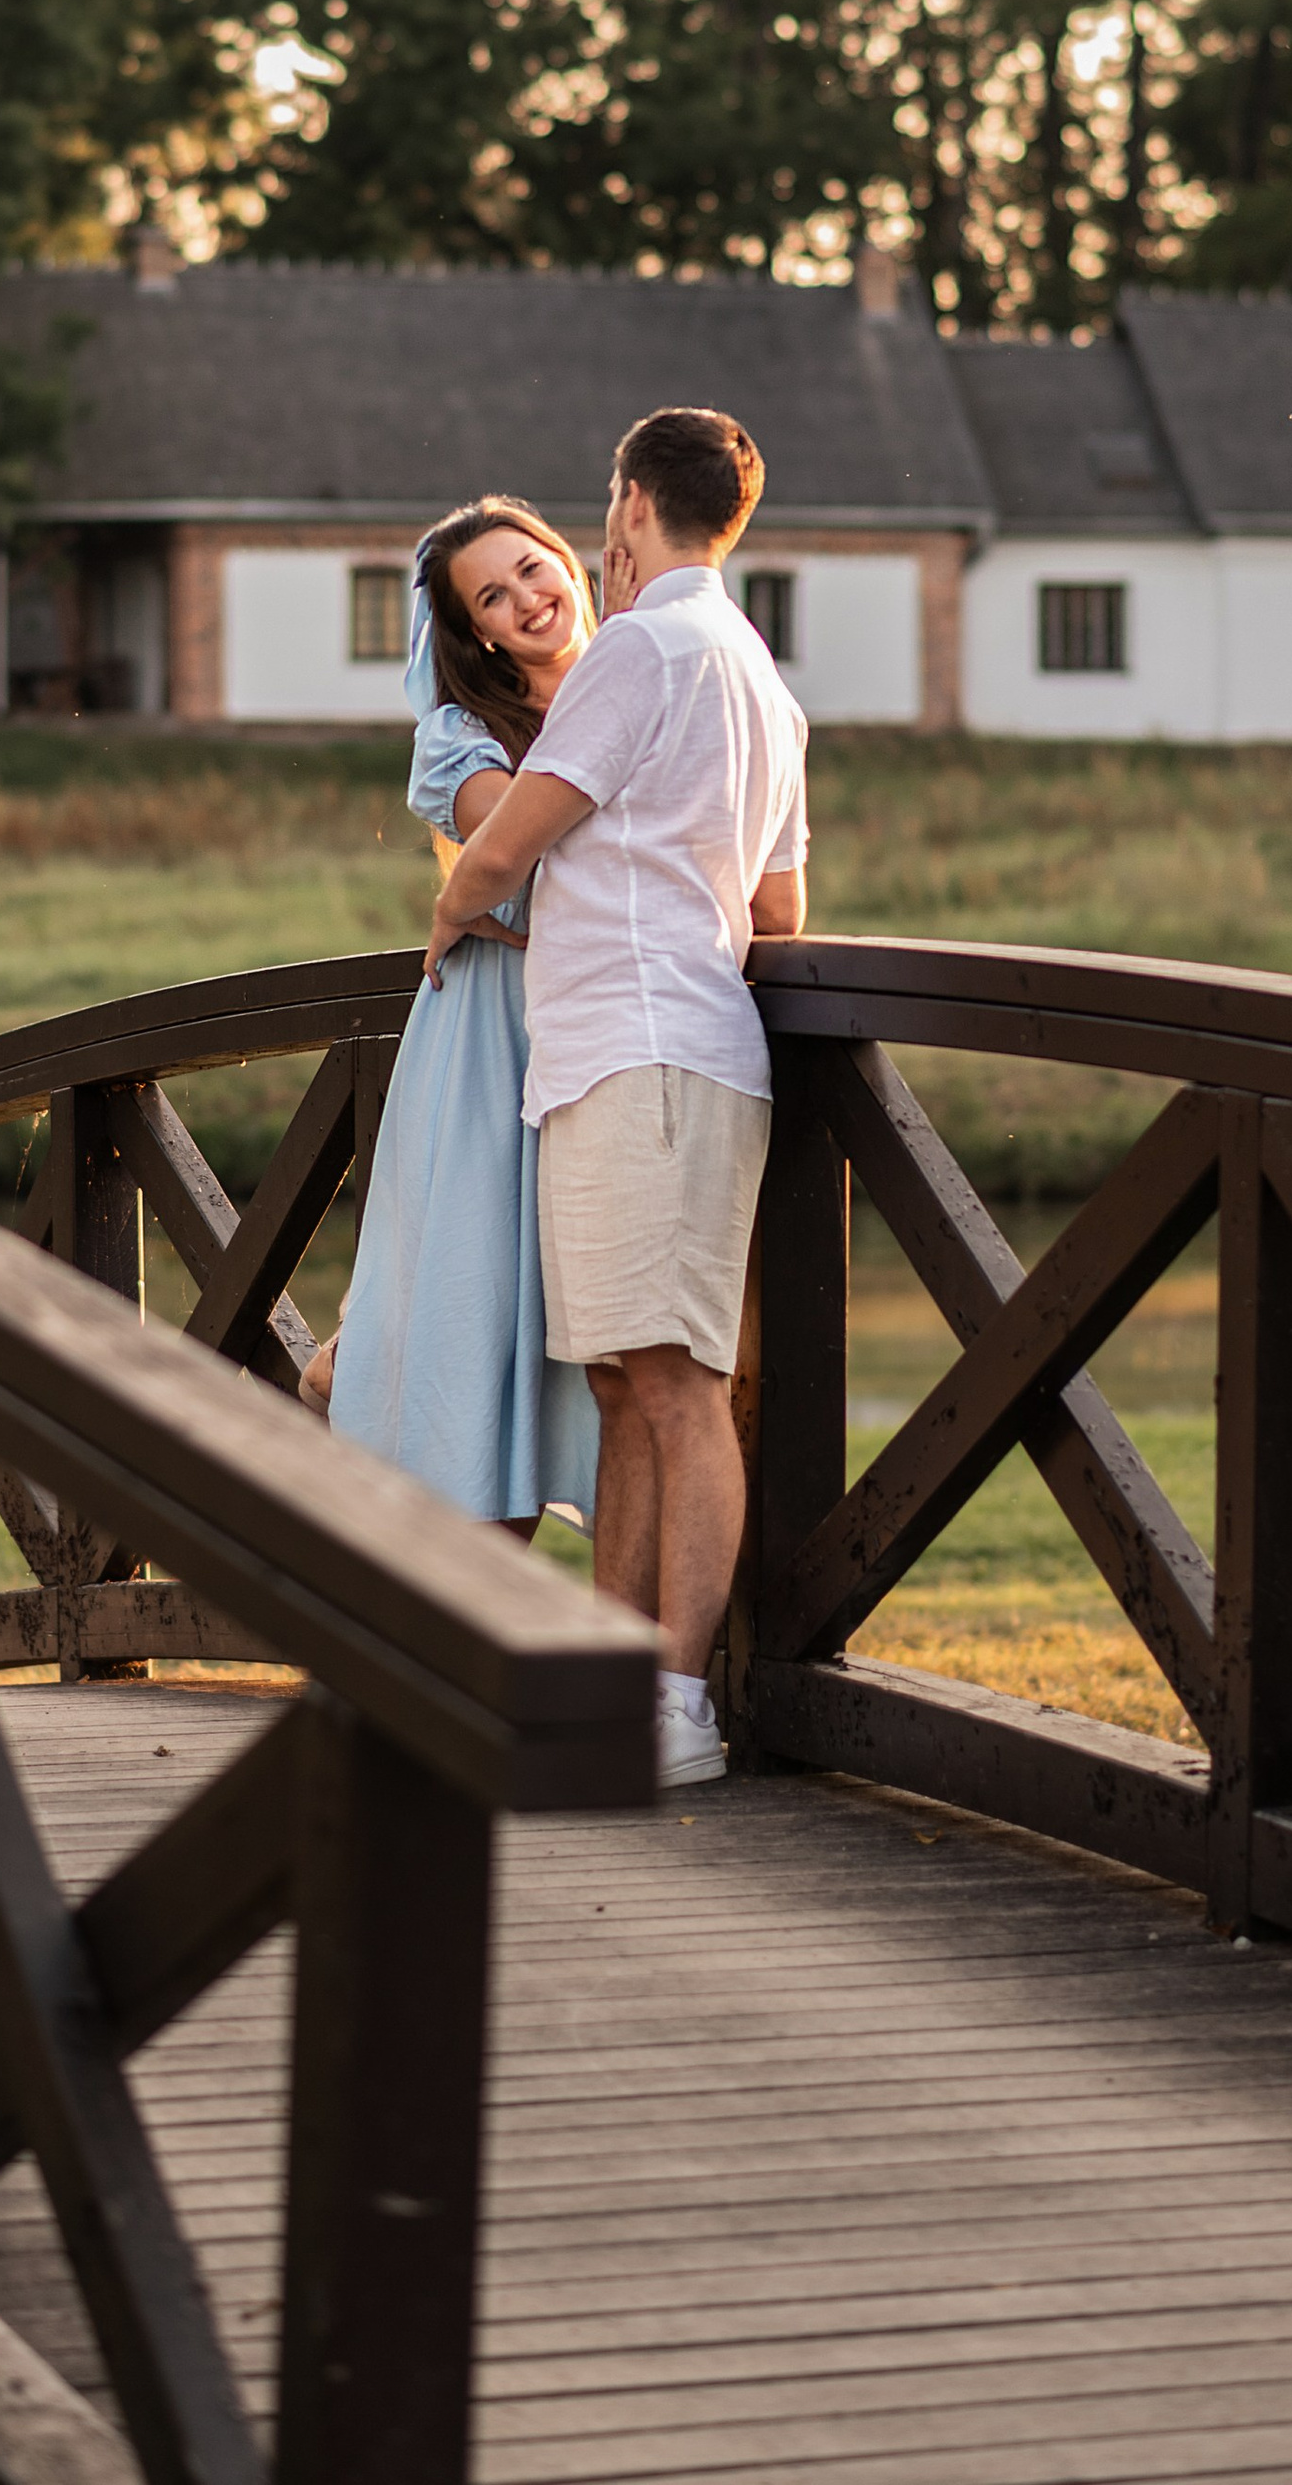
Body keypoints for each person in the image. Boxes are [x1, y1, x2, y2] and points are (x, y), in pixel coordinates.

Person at [426, 406, 809, 1790]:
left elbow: (512, 841)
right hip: (649, 1048)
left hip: (645, 1050)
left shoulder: (640, 646)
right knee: (628, 1381)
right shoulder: (762, 678)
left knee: (676, 1386)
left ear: (633, 503)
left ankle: (679, 1704)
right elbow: (780, 904)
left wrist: (450, 914)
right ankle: (616, 1681)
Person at [315, 498, 601, 1535]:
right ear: (474, 629)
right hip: (494, 1037)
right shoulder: (459, 736)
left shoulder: (635, 679)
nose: (528, 597)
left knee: (583, 1320)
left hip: (604, 1027)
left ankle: (345, 1372)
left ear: (566, 560)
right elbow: (534, 856)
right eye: (494, 594)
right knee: (479, 1301)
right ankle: (464, 1634)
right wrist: (467, 895)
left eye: (533, 568)